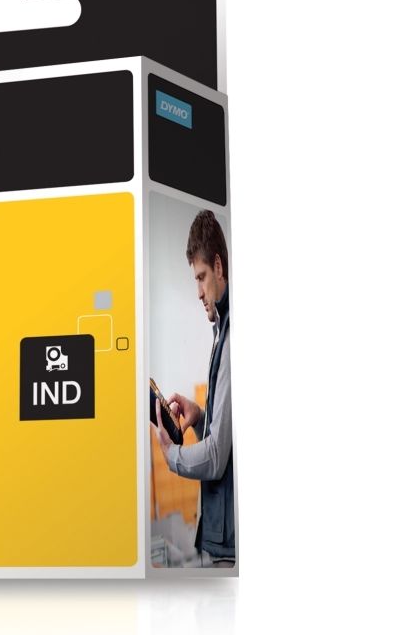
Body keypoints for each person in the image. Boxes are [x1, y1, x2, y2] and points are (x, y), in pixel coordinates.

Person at [153, 209, 235, 567]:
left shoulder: (231, 339)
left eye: (201, 278)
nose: (199, 293)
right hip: (221, 538)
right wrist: (199, 416)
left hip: (230, 547)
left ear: (218, 267)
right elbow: (226, 439)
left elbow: (216, 458)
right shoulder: (221, 334)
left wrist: (171, 454)